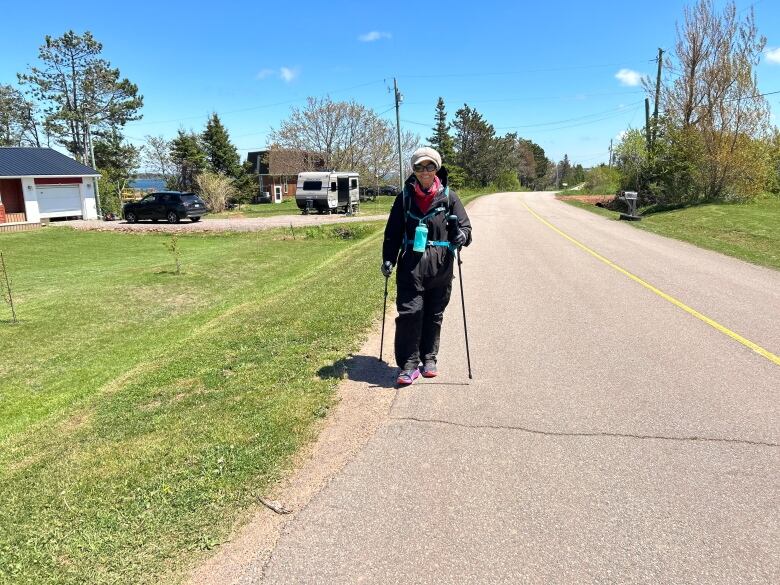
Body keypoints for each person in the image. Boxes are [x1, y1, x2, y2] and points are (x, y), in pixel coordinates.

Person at [381, 147, 472, 386]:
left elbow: (466, 228)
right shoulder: (404, 198)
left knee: (434, 314)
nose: (425, 172)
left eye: (430, 166)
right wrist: (388, 258)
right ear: (414, 170)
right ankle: (408, 365)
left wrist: (461, 235)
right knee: (410, 313)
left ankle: (429, 358)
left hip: (441, 267)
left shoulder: (449, 197)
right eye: (419, 167)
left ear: (437, 168)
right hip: (410, 266)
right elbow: (392, 233)